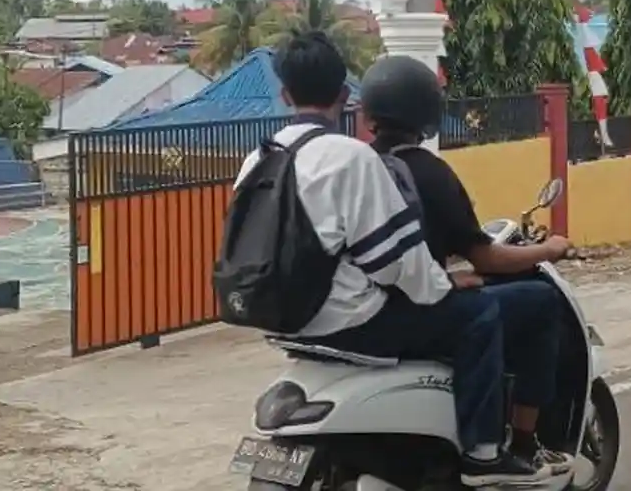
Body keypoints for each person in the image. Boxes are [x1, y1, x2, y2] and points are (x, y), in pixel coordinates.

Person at [235, 31, 544, 487]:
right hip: (352, 321)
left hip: (284, 320)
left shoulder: (259, 157)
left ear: (284, 93)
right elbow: (393, 259)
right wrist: (443, 284)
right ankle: (483, 453)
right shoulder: (349, 158)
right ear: (344, 95)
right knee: (479, 316)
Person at [361, 54, 577, 476]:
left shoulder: (357, 165)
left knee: (475, 292)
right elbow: (487, 256)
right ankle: (513, 444)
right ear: (426, 112)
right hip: (414, 310)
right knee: (539, 303)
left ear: (369, 111)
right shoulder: (432, 172)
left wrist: (444, 275)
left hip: (367, 303)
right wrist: (550, 249)